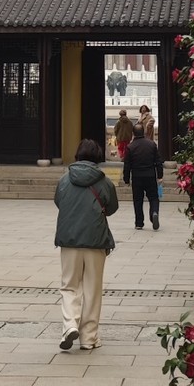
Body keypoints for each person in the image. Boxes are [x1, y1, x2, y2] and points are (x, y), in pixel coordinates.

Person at [53, 138, 118, 351]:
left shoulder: (64, 180)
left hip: (69, 238)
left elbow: (58, 202)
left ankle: (70, 325)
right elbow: (112, 207)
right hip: (95, 239)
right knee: (92, 287)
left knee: (69, 284)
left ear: (78, 155)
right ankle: (88, 338)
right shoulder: (104, 181)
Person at [123, 123, 163, 231]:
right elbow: (158, 161)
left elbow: (127, 165)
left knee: (138, 200)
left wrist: (126, 179)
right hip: (150, 175)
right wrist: (160, 175)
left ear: (133, 133)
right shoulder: (151, 144)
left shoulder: (130, 147)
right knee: (153, 197)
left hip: (137, 177)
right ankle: (154, 212)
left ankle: (139, 223)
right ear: (144, 132)